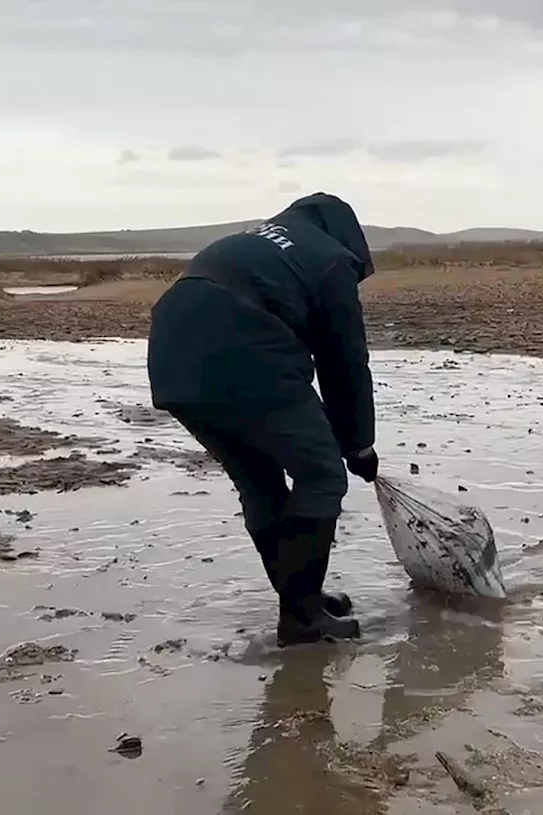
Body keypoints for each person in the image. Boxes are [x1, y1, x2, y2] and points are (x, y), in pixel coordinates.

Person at [146, 192, 379, 646]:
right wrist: (359, 445)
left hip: (172, 365)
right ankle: (302, 616)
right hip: (243, 352)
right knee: (322, 475)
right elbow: (344, 361)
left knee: (259, 483)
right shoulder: (331, 260)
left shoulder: (255, 243)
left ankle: (301, 603)